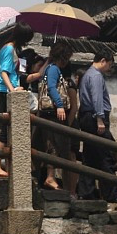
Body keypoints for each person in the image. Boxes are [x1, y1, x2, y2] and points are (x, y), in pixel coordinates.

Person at [0, 23, 33, 178]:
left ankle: (0, 165)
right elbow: (3, 72)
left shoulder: (9, 49)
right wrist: (12, 90)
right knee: (5, 132)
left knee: (7, 130)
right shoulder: (9, 49)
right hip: (8, 91)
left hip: (5, 91)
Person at [75, 53, 117, 202]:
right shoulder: (96, 76)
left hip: (87, 116)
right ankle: (111, 194)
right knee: (106, 154)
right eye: (109, 65)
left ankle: (86, 191)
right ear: (103, 61)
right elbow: (97, 98)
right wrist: (100, 118)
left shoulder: (87, 74)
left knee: (90, 156)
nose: (109, 68)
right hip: (95, 117)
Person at [33, 41, 76, 191]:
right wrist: (59, 105)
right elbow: (51, 87)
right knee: (53, 145)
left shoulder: (48, 68)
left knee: (51, 145)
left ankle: (49, 177)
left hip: (48, 113)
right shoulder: (54, 69)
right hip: (52, 113)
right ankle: (50, 177)